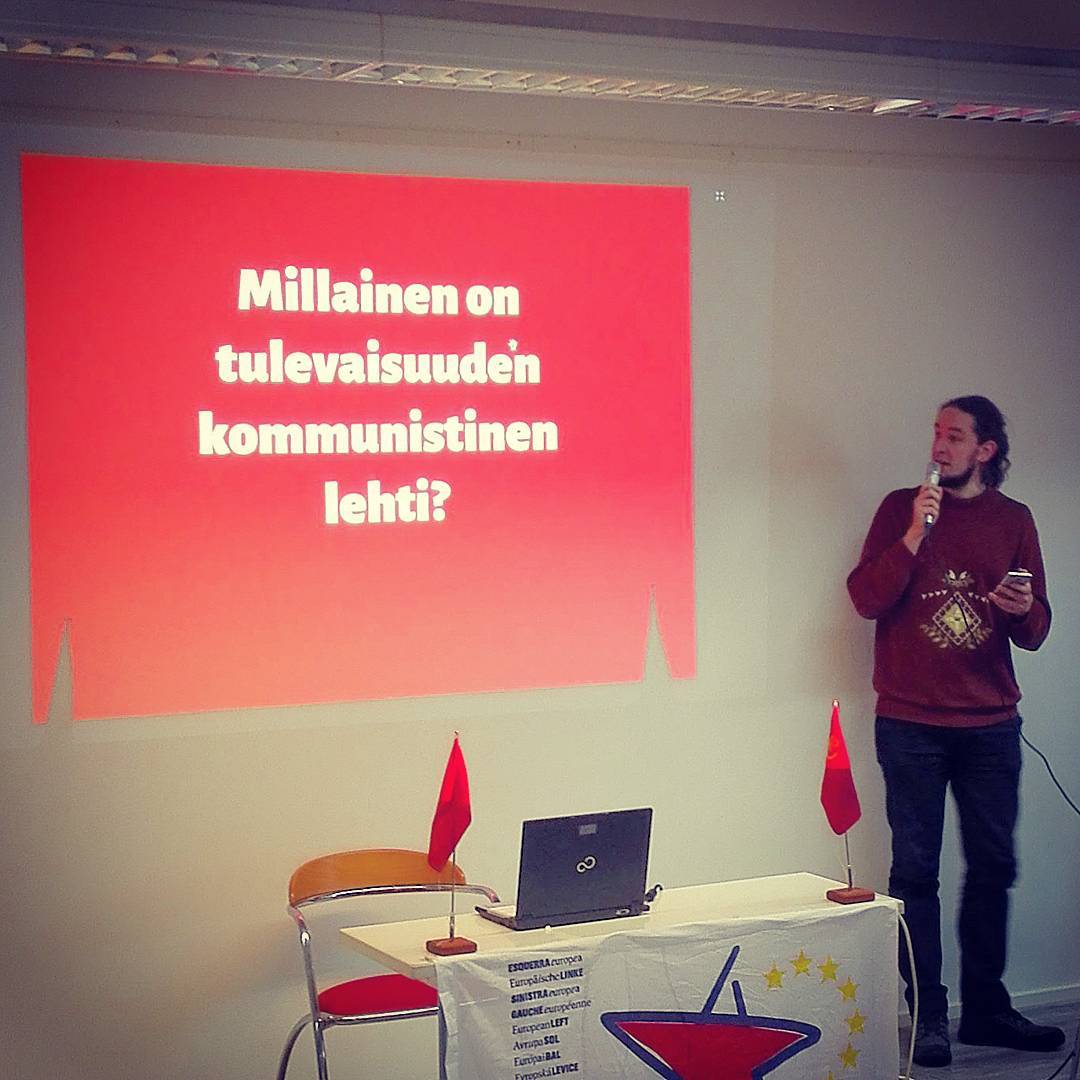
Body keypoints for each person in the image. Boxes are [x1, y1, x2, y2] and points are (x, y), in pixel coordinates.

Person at [847, 395, 1064, 1068]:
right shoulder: (900, 508)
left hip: (991, 726)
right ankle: (930, 1015)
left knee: (993, 867)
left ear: (985, 450)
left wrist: (1022, 608)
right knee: (916, 873)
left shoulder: (1014, 519)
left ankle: (988, 1010)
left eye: (954, 436)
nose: (939, 447)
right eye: (936, 434)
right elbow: (865, 598)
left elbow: (1035, 631)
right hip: (910, 723)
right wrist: (915, 534)